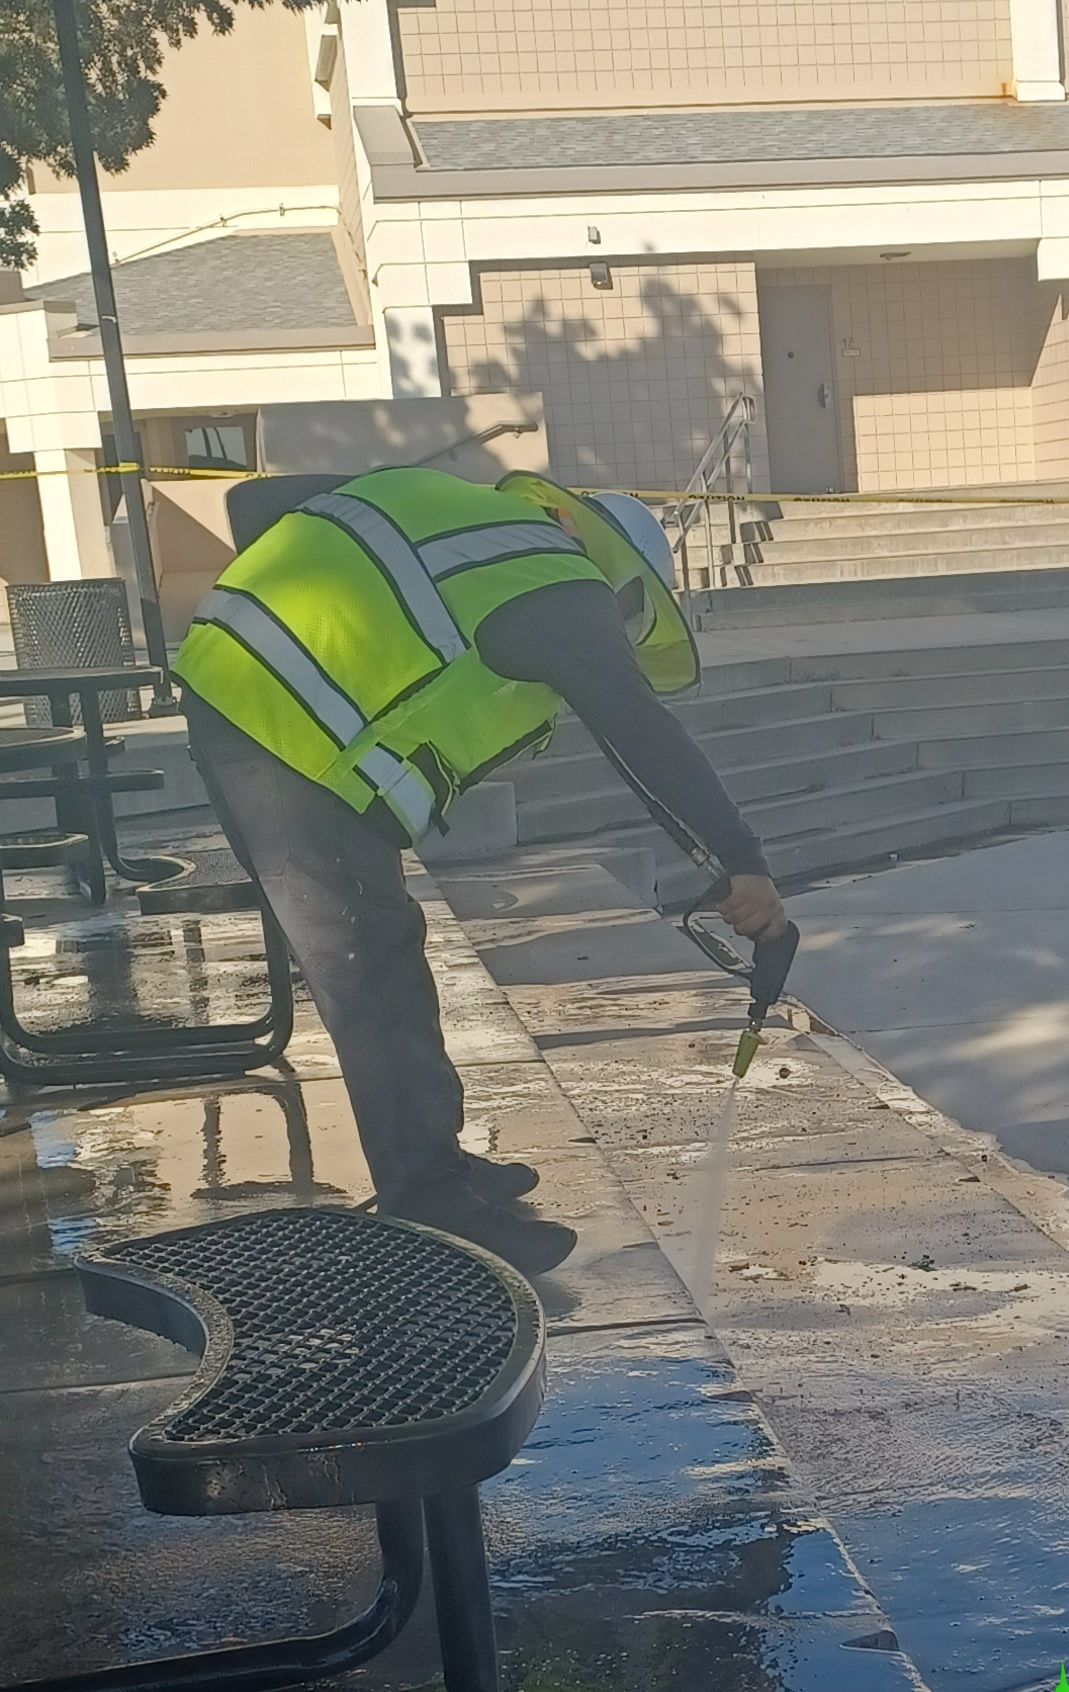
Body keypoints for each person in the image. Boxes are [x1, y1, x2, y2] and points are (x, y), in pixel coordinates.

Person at [174, 462, 788, 1279]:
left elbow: (255, 500)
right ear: (609, 564)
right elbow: (637, 726)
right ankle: (424, 1197)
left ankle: (439, 1164)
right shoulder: (556, 579)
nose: (619, 624)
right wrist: (740, 862)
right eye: (629, 605)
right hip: (273, 726)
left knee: (384, 939)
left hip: (258, 698)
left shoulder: (468, 524)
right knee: (363, 957)